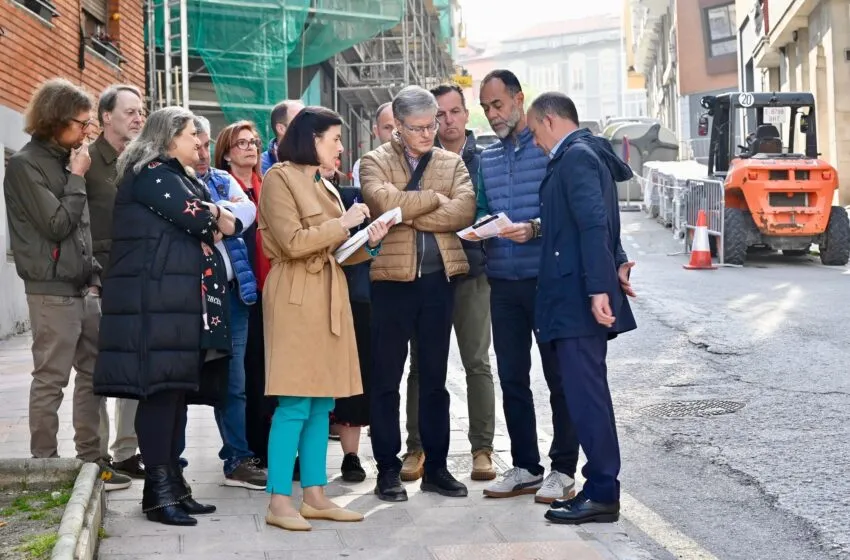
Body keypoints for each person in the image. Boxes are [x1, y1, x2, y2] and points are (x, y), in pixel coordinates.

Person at [94, 107, 238, 526]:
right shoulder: (152, 173)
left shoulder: (178, 177)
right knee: (159, 395)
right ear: (170, 136)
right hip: (153, 305)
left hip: (172, 304)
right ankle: (157, 495)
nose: (200, 142)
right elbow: (197, 217)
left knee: (174, 395)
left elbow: (214, 225)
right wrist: (214, 212)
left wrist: (211, 214)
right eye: (194, 134)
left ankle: (174, 485)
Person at [260, 106, 392, 532]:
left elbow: (337, 251)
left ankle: (314, 496)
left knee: (322, 403)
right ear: (311, 138)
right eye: (334, 138)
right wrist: (344, 223)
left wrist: (368, 242)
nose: (340, 146)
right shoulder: (278, 178)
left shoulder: (326, 185)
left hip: (330, 294)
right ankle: (280, 500)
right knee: (295, 402)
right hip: (296, 297)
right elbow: (293, 242)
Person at [3, 78, 131, 491]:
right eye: (80, 124)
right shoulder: (24, 165)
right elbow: (57, 224)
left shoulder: (66, 158)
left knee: (94, 378)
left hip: (83, 288)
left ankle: (91, 460)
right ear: (54, 121)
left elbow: (83, 231)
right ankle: (44, 467)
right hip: (51, 292)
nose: (87, 132)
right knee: (51, 380)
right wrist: (77, 177)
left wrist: (94, 277)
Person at [360, 85, 476, 503]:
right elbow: (380, 202)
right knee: (386, 380)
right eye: (419, 128)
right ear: (399, 127)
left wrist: (407, 215)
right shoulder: (372, 161)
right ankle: (387, 470)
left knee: (434, 380)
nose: (430, 133)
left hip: (438, 282)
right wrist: (431, 201)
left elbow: (464, 209)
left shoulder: (451, 161)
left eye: (433, 125)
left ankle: (438, 469)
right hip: (391, 282)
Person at [525, 92, 637, 525]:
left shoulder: (574, 158)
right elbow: (601, 224)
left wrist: (597, 288)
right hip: (575, 292)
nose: (535, 142)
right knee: (586, 393)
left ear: (550, 121)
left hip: (575, 298)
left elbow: (593, 223)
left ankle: (603, 491)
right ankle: (599, 487)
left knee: (586, 395)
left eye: (535, 132)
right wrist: (616, 265)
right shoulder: (586, 154)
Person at [476, 70, 579, 504]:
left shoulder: (549, 149)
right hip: (502, 281)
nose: (492, 114)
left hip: (545, 281)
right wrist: (482, 227)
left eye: (497, 104)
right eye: (485, 108)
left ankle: (562, 470)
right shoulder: (485, 158)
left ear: (519, 100)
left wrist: (532, 228)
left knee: (559, 377)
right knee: (512, 376)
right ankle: (525, 466)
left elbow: (566, 211)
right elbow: (481, 208)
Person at [401, 84, 496, 483]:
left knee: (477, 362)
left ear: (466, 114)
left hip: (473, 271)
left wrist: (446, 210)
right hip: (430, 274)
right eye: (440, 114)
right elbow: (403, 207)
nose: (448, 121)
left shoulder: (484, 159)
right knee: (421, 366)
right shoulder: (419, 159)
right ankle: (416, 447)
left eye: (455, 111)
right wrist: (445, 209)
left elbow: (483, 209)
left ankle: (482, 449)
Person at [191, 118, 267, 490]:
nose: (202, 153)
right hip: (189, 301)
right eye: (196, 145)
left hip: (234, 299)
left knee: (234, 383)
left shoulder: (222, 181)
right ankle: (171, 466)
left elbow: (247, 213)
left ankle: (237, 459)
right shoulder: (167, 183)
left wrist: (222, 215)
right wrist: (221, 216)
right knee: (178, 385)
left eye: (206, 145)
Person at [87, 84, 146, 479]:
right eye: (130, 111)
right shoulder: (87, 161)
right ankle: (97, 455)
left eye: (141, 111)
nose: (138, 118)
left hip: (138, 278)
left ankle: (127, 450)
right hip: (100, 279)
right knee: (96, 369)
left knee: (133, 365)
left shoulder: (142, 163)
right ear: (106, 116)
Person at [351, 102, 394, 188]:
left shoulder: (425, 163)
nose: (394, 133)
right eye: (387, 127)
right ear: (376, 130)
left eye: (400, 127)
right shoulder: (363, 165)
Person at [261, 99, 305, 175]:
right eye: (301, 120)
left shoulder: (318, 162)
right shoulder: (260, 167)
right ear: (281, 128)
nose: (309, 126)